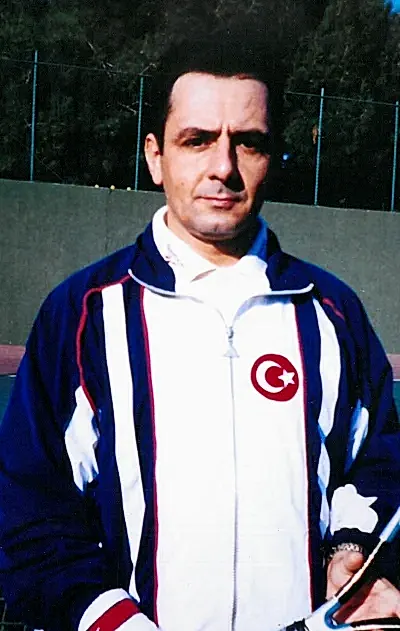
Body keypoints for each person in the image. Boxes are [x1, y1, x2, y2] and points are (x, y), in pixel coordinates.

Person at [0, 36, 399, 631]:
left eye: (249, 142)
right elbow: (30, 509)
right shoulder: (84, 315)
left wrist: (351, 550)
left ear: (273, 157)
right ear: (156, 156)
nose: (223, 168)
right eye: (197, 140)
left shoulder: (332, 312)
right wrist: (113, 622)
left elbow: (379, 463)